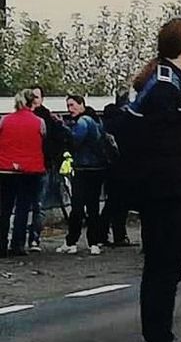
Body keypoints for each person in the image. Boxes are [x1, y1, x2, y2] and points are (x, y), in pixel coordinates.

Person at [125, 18, 181, 342]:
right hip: (166, 192)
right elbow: (167, 143)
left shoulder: (166, 82)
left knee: (162, 272)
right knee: (163, 272)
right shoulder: (164, 88)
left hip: (164, 190)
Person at [56, 95, 107, 256]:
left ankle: (71, 242)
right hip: (97, 168)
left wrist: (62, 127)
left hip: (83, 168)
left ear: (81, 105)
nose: (70, 109)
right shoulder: (96, 121)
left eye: (72, 105)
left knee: (77, 207)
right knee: (93, 207)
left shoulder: (83, 122)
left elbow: (75, 140)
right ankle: (94, 242)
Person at [0, 89, 47, 257]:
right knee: (22, 208)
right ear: (31, 102)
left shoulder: (4, 120)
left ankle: (1, 245)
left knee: (4, 209)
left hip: (5, 168)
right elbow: (42, 140)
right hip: (30, 170)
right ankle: (17, 245)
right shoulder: (39, 122)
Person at [28, 85, 65, 252]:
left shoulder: (48, 119)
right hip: (28, 166)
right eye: (32, 96)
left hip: (43, 165)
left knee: (38, 204)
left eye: (37, 96)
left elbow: (59, 140)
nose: (34, 99)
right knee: (29, 204)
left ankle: (34, 238)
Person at [98, 95, 132, 247]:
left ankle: (103, 234)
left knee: (111, 203)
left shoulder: (104, 127)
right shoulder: (122, 125)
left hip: (109, 169)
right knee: (120, 204)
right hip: (123, 169)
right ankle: (119, 235)